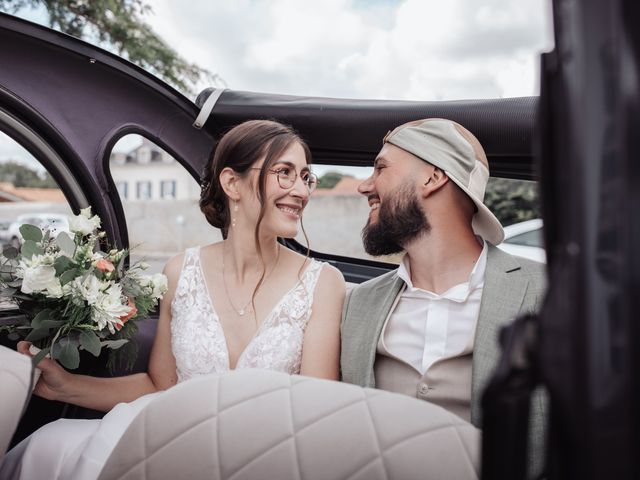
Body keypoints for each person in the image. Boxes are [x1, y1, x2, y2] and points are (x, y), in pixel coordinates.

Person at [1, 119, 345, 480]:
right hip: (164, 434)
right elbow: (161, 385)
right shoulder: (181, 270)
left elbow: (312, 415)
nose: (302, 191)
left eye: (306, 177)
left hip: (263, 460)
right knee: (47, 447)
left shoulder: (322, 283)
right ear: (232, 183)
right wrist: (66, 387)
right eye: (285, 173)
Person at [340, 118, 547, 476]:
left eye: (380, 168)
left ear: (433, 178)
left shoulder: (547, 292)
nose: (365, 186)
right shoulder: (359, 303)